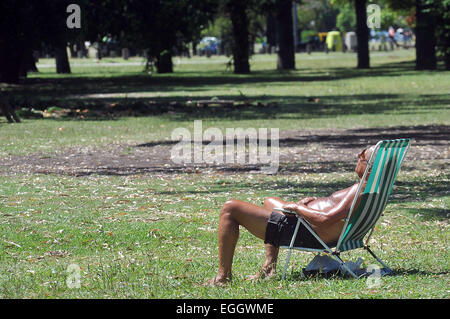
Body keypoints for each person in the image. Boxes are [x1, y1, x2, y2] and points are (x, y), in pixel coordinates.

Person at [204, 145, 376, 286]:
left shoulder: (360, 189)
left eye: (362, 156)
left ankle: (222, 277)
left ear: (370, 166)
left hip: (308, 233)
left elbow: (325, 219)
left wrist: (297, 208)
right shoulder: (373, 187)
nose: (357, 156)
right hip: (313, 228)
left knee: (230, 208)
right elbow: (333, 213)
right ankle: (269, 267)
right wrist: (315, 203)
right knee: (270, 201)